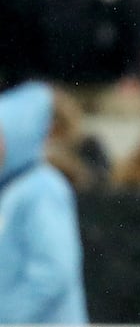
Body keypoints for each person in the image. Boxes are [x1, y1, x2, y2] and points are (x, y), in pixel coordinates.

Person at [0, 81, 89, 324]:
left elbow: (54, 273)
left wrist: (8, 318)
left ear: (19, 136)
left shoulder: (42, 188)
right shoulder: (9, 190)